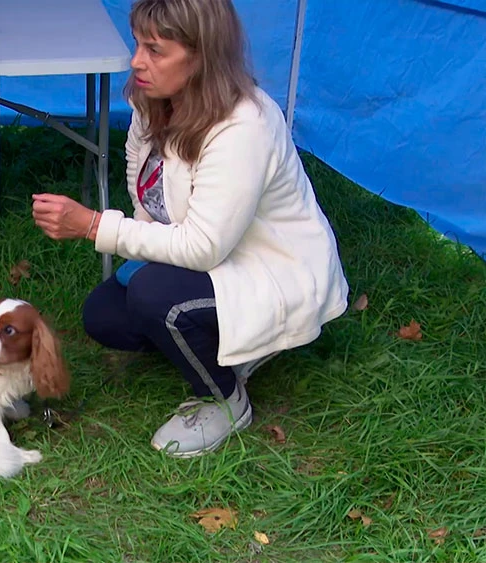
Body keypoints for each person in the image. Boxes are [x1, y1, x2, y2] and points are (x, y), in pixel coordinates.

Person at [32, 0, 349, 458]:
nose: (137, 61)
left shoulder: (244, 126)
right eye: (138, 43)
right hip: (216, 258)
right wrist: (138, 239)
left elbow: (202, 248)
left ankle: (224, 399)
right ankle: (232, 345)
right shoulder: (154, 99)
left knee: (156, 298)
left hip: (274, 271)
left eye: (156, 50)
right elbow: (144, 185)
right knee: (105, 314)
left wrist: (95, 226)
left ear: (201, 56)